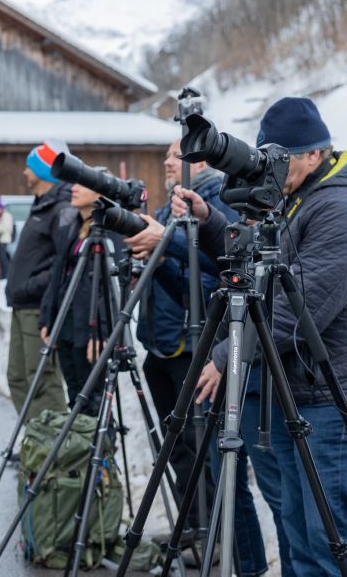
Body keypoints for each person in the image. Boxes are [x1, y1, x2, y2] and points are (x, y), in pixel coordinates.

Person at [181, 98, 347, 577]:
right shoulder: (298, 197)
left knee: (329, 540)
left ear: (315, 154)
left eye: (284, 158)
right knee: (298, 536)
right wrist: (211, 222)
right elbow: (260, 270)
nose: (273, 170)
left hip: (328, 399)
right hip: (293, 393)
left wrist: (223, 356)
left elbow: (298, 312)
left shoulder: (340, 207)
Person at [124, 138, 277, 571]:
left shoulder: (218, 200)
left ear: (201, 159)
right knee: (185, 451)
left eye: (175, 155)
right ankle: (201, 533)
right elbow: (181, 272)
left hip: (202, 343)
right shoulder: (173, 205)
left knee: (215, 458)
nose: (168, 162)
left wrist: (165, 243)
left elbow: (223, 267)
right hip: (168, 338)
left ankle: (226, 545)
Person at [3, 142, 70, 423]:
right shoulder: (41, 204)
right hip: (21, 305)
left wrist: (32, 286)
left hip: (37, 305)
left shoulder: (60, 207)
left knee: (41, 378)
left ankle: (54, 451)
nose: (24, 172)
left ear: (43, 171)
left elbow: (64, 261)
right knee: (17, 377)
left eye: (30, 166)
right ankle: (36, 442)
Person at [37, 183, 110, 410]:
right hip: (67, 321)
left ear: (99, 193)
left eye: (83, 185)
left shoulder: (107, 228)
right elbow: (59, 274)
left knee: (91, 397)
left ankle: (99, 444)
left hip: (89, 325)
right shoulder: (74, 226)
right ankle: (79, 442)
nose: (74, 188)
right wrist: (48, 318)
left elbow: (109, 285)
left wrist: (103, 331)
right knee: (74, 392)